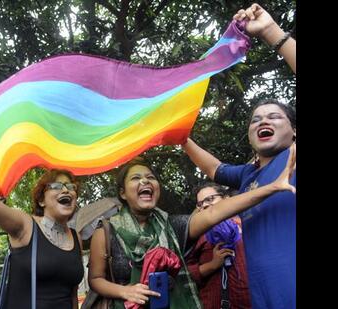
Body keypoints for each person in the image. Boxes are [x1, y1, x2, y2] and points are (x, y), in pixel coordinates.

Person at [182, 4, 296, 308]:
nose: (263, 122)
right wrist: (179, 136)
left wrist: (272, 32)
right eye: (256, 119)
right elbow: (214, 168)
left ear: (294, 131)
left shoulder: (294, 158)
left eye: (275, 117)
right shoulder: (248, 175)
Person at [87, 148, 294, 309]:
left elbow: (214, 212)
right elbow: (96, 279)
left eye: (150, 177)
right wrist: (125, 292)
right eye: (136, 178)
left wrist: (273, 186)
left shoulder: (172, 225)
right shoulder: (106, 230)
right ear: (123, 193)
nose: (145, 181)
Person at [0, 131, 84, 309]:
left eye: (71, 187)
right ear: (41, 200)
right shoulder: (25, 225)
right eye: (57, 186)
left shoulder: (76, 238)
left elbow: (72, 294)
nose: (66, 190)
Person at [186, 183, 251, 309]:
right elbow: (183, 274)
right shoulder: (196, 234)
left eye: (210, 199)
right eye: (200, 204)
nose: (204, 205)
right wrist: (212, 265)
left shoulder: (248, 225)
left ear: (226, 199)